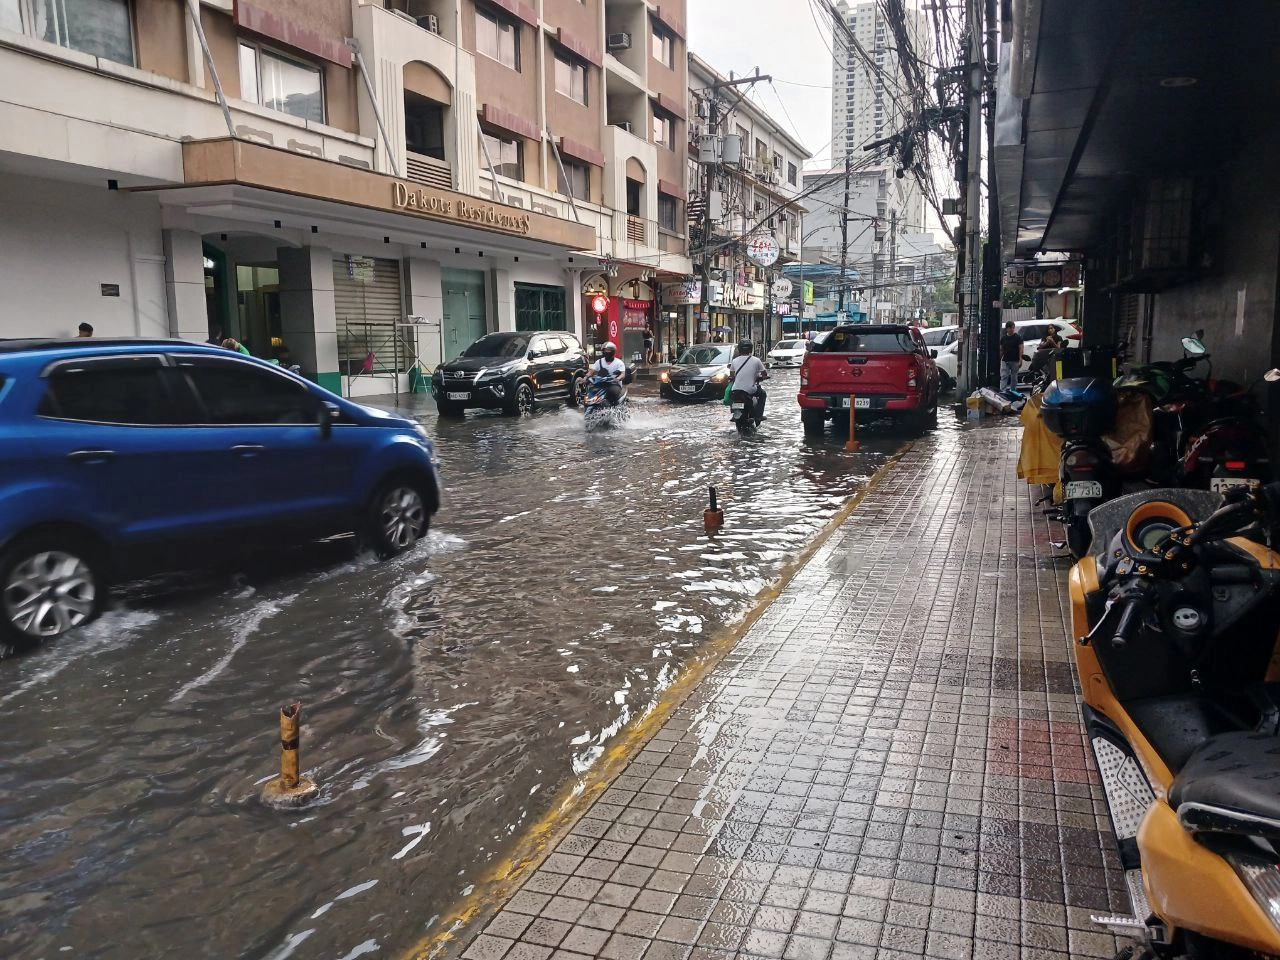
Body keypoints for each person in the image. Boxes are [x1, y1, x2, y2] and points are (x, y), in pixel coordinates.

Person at [729, 339, 769, 421]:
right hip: (750, 389)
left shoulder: (734, 361)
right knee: (763, 394)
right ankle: (758, 416)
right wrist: (763, 377)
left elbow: (732, 376)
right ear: (751, 349)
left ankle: (734, 414)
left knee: (732, 396)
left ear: (739, 349)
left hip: (735, 389)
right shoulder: (756, 360)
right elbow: (764, 374)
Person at [998, 321, 1024, 392]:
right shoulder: (1003, 338)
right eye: (1010, 328)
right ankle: (1002, 391)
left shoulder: (1018, 337)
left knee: (1014, 378)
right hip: (1005, 360)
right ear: (1007, 329)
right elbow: (1001, 349)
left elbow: (1021, 348)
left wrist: (1020, 359)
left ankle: (1013, 391)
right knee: (1004, 376)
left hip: (1015, 360)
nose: (1012, 329)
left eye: (1013, 328)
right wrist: (999, 359)